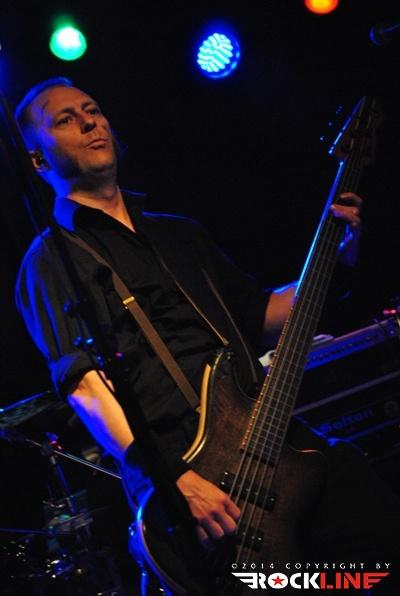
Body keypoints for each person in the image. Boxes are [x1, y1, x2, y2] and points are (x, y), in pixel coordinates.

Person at [14, 78, 398, 594]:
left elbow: (262, 316)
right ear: (37, 160)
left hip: (268, 438)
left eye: (93, 109)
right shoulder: (51, 261)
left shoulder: (179, 233)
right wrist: (170, 480)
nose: (89, 121)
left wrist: (334, 256)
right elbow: (85, 386)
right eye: (65, 119)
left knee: (372, 543)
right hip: (191, 473)